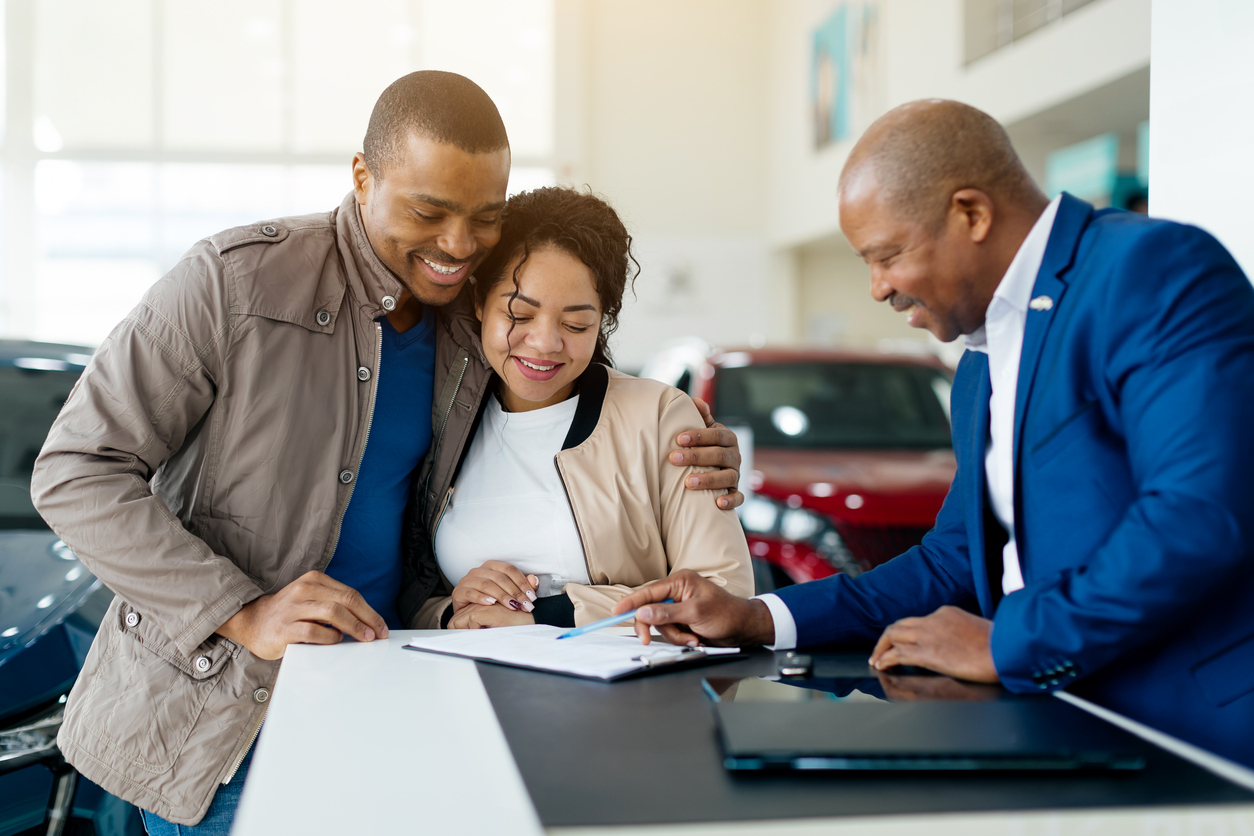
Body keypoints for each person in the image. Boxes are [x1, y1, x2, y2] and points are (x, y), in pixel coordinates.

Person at [30, 72, 744, 831]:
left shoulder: (468, 318)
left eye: (485, 218)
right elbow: (76, 470)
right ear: (363, 177)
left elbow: (554, 386)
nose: (458, 245)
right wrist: (243, 612)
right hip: (229, 720)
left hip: (399, 704)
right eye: (429, 212)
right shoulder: (234, 283)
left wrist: (675, 429)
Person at [614, 99, 1254, 768]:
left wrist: (1009, 642)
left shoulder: (1151, 270)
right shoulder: (979, 359)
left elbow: (1197, 517)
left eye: (887, 256)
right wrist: (755, 617)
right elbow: (953, 560)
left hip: (1190, 732)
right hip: (1048, 726)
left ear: (970, 213)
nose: (877, 289)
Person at [403, 187, 753, 630]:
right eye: (519, 315)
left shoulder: (660, 418)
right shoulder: (444, 420)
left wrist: (547, 616)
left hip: (622, 676)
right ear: (479, 303)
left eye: (575, 324)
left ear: (601, 320)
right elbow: (411, 597)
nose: (545, 343)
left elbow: (726, 594)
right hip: (472, 672)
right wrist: (454, 612)